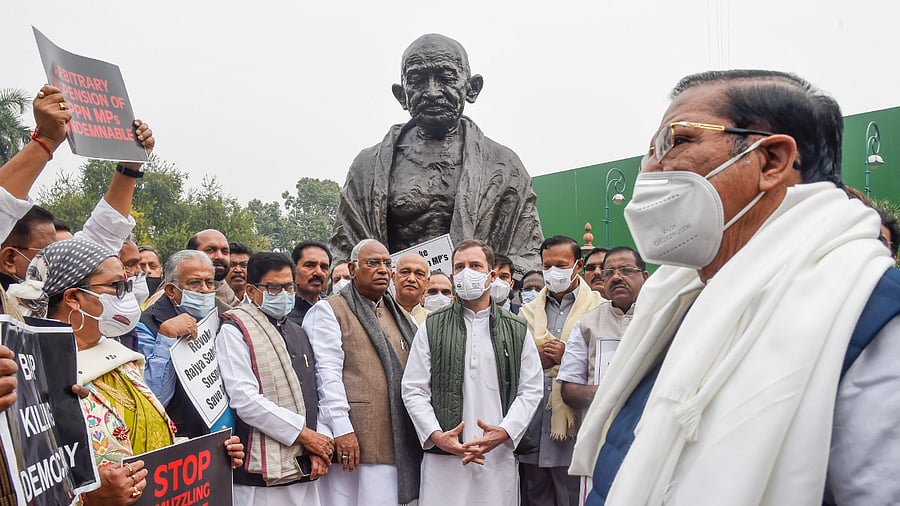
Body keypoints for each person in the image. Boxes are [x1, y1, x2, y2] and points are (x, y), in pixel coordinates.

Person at [570, 70, 900, 506]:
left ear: (772, 161)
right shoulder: (679, 296)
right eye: (649, 150)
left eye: (676, 141)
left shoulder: (870, 312)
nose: (651, 168)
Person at [11, 239, 244, 504]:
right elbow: (30, 480)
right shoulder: (33, 376)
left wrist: (210, 455)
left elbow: (149, 439)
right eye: (116, 286)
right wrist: (91, 500)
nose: (128, 295)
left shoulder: (122, 359)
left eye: (127, 284)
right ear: (74, 298)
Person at [330, 33, 543, 274]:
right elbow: (343, 255)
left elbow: (529, 256)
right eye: (417, 80)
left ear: (472, 88)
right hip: (390, 303)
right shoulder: (366, 169)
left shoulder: (503, 166)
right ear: (402, 95)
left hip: (475, 303)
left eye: (446, 77)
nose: (432, 92)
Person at [402, 239, 542, 505]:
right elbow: (413, 388)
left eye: (475, 265)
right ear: (453, 276)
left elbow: (530, 389)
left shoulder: (517, 329)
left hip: (497, 456)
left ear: (490, 275)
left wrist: (504, 431)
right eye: (460, 267)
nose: (467, 272)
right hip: (444, 460)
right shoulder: (432, 327)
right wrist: (436, 435)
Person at [303, 239, 422, 505]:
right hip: (354, 439)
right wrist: (342, 429)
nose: (382, 269)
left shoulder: (401, 316)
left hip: (398, 439)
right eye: (373, 263)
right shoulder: (330, 310)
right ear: (352, 269)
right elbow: (326, 376)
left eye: (387, 264)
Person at [216, 252, 333, 504]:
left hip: (304, 468)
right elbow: (245, 400)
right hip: (261, 478)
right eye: (273, 287)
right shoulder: (235, 329)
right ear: (251, 289)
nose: (283, 293)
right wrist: (305, 436)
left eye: (289, 286)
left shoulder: (297, 331)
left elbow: (313, 393)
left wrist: (317, 446)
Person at [519, 235, 604, 506]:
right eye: (547, 266)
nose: (553, 272)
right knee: (534, 498)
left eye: (561, 264)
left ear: (577, 265)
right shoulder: (526, 313)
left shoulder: (599, 309)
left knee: (572, 499)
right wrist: (537, 361)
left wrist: (570, 356)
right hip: (533, 428)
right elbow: (511, 366)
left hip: (574, 430)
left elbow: (607, 365)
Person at [136, 250, 233, 437]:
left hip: (222, 439)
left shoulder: (220, 319)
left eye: (209, 282)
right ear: (171, 291)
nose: (204, 289)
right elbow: (154, 398)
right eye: (194, 283)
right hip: (177, 442)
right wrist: (166, 338)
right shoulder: (146, 326)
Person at [558, 246, 647, 410]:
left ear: (644, 276)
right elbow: (569, 391)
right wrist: (618, 394)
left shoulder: (661, 318)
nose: (617, 277)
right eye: (609, 272)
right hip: (598, 427)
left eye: (626, 270)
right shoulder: (587, 323)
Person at [187, 229, 240, 314]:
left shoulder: (226, 291)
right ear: (191, 255)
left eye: (225, 251)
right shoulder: (176, 291)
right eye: (210, 250)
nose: (219, 256)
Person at [287, 240, 332, 325]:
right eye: (310, 265)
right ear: (294, 270)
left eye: (324, 267)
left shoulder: (334, 310)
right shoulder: (282, 314)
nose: (319, 272)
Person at [393, 252, 430, 324]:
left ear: (427, 282)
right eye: (405, 272)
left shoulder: (436, 322)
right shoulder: (379, 317)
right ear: (393, 277)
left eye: (419, 274)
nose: (411, 279)